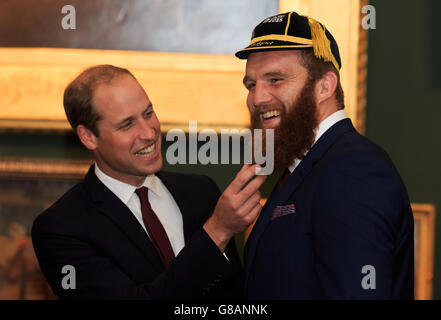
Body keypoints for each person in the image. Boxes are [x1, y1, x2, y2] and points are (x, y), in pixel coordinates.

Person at [31, 65, 266, 299]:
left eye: (148, 113)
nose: (149, 133)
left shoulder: (201, 192)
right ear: (88, 137)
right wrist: (217, 231)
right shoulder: (61, 228)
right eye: (127, 124)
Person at [236, 11, 414, 299]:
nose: (257, 98)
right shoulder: (308, 166)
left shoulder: (354, 171)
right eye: (251, 84)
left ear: (325, 87)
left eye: (276, 80)